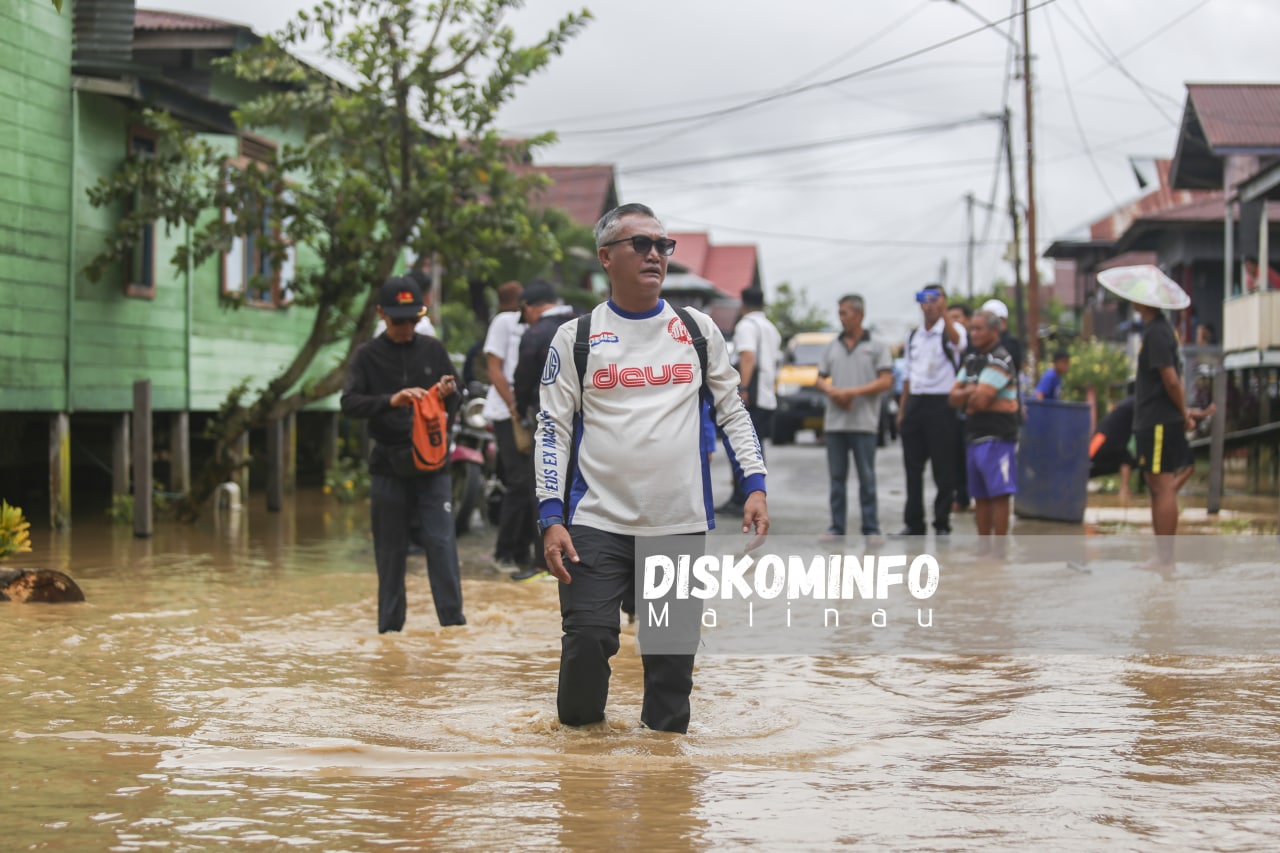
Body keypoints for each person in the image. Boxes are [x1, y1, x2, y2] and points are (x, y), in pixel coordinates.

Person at [535, 202, 768, 734]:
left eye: (663, 245)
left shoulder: (698, 329)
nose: (655, 255)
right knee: (588, 642)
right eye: (640, 244)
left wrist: (754, 484)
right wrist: (551, 515)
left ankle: (665, 795)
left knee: (670, 669)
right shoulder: (576, 337)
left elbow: (733, 409)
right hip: (594, 522)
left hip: (677, 525)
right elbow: (552, 430)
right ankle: (581, 776)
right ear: (606, 258)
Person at [341, 275, 465, 632]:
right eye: (399, 320)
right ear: (382, 314)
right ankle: (390, 633)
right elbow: (349, 403)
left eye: (413, 318)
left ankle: (454, 630)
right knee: (390, 555)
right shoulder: (367, 356)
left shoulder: (432, 350)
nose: (406, 327)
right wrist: (390, 401)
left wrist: (446, 392)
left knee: (442, 548)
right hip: (388, 468)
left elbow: (456, 397)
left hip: (434, 468)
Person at [510, 279, 576, 581]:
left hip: (549, 423)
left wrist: (520, 407)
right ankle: (580, 554)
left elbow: (523, 381)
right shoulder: (584, 323)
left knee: (545, 485)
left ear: (529, 309)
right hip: (590, 425)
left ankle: (543, 563)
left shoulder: (535, 334)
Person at [815, 295, 892, 546]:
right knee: (837, 478)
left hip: (864, 423)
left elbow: (885, 381)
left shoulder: (877, 345)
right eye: (839, 312)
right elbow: (819, 378)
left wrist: (851, 393)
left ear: (859, 315)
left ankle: (871, 527)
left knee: (867, 478)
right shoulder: (832, 346)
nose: (841, 317)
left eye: (845, 312)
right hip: (836, 423)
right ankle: (837, 527)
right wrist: (833, 393)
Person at [894, 284, 967, 537]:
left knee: (943, 468)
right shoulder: (914, 336)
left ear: (944, 302)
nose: (930, 304)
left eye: (936, 299)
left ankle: (942, 523)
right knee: (912, 469)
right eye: (926, 300)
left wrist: (945, 313)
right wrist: (902, 410)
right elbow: (908, 375)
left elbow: (958, 344)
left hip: (941, 404)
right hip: (916, 402)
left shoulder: (951, 331)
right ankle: (914, 523)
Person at [948, 310, 1020, 556]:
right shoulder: (971, 360)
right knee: (980, 494)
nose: (974, 333)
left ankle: (999, 549)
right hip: (974, 435)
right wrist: (973, 393)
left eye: (979, 329)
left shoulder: (1000, 359)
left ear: (994, 330)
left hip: (998, 436)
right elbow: (952, 398)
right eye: (973, 329)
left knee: (999, 493)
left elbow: (979, 401)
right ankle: (984, 547)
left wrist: (969, 393)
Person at [1132, 301, 1194, 572]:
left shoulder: (1157, 332)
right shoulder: (1157, 330)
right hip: (1154, 418)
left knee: (1163, 487)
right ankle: (1163, 557)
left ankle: (1167, 560)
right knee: (1157, 488)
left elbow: (1170, 379)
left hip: (1158, 419)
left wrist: (1185, 413)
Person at [717, 287, 781, 515]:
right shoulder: (771, 327)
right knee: (756, 447)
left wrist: (742, 388)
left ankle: (740, 499)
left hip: (751, 396)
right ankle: (752, 495)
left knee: (740, 445)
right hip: (766, 396)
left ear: (743, 304)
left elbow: (747, 356)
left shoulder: (746, 326)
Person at [484, 280, 532, 573]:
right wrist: (513, 405)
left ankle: (523, 551)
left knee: (531, 483)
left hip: (528, 411)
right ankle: (505, 553)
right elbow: (494, 367)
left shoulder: (533, 325)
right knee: (518, 482)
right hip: (506, 412)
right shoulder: (504, 322)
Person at [1089, 393, 1137, 502]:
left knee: (1126, 457)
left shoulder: (1131, 402)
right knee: (1086, 466)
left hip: (1106, 438)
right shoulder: (1136, 403)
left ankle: (1124, 489)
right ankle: (1124, 490)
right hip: (1102, 439)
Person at [372, 269, 438, 338]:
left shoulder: (381, 326)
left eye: (413, 320)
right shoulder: (425, 327)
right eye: (398, 321)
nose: (407, 328)